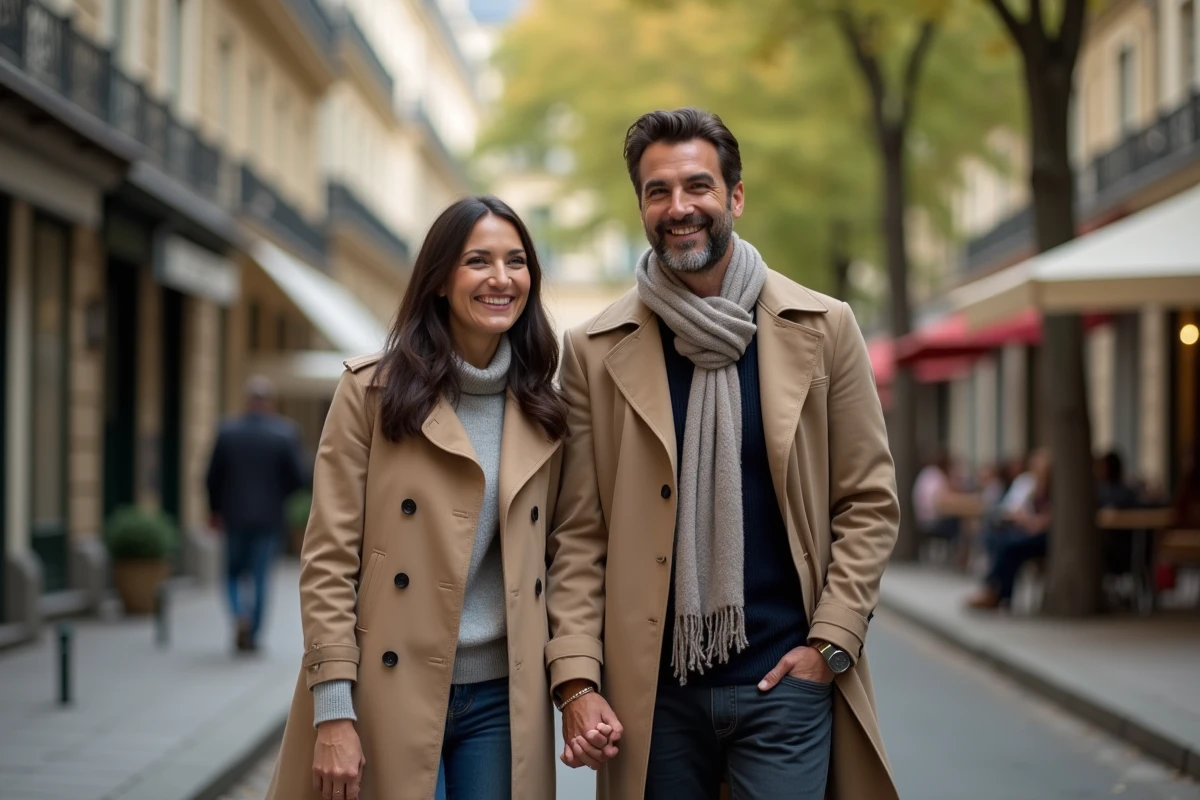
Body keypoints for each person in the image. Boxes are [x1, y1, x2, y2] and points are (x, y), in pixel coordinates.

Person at [545, 108, 900, 800]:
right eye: (658, 191)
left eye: (698, 186)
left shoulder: (824, 329)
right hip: (651, 697)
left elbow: (868, 501)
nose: (680, 207)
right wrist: (577, 680)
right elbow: (579, 535)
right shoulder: (591, 350)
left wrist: (830, 644)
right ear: (642, 207)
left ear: (735, 196)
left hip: (785, 685)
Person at [265, 196, 570, 800]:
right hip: (387, 688)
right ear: (439, 281)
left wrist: (577, 681)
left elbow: (567, 557)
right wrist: (333, 708)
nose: (500, 279)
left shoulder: (547, 408)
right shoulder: (371, 394)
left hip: (504, 700)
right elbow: (328, 559)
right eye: (478, 261)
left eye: (516, 261)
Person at [206, 375, 307, 653]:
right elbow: (299, 478)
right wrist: (279, 497)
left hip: (234, 515)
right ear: (270, 402)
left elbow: (212, 476)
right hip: (269, 517)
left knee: (231, 574)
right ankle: (255, 632)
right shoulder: (285, 433)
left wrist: (214, 511)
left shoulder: (228, 431)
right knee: (261, 577)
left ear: (247, 401)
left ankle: (240, 613)